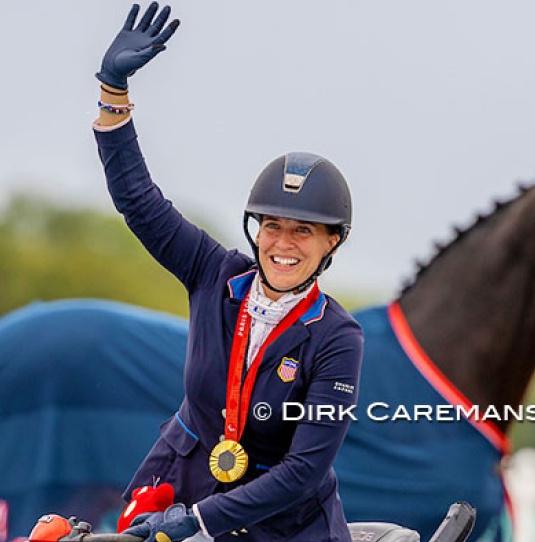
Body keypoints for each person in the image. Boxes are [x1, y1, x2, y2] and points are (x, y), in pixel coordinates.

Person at [91, 3, 364, 541]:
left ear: (332, 241)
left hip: (279, 524)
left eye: (303, 231)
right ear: (255, 229)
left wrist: (198, 523)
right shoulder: (214, 273)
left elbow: (304, 470)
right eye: (273, 226)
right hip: (176, 488)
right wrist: (112, 94)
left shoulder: (337, 338)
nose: (283, 244)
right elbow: (141, 204)